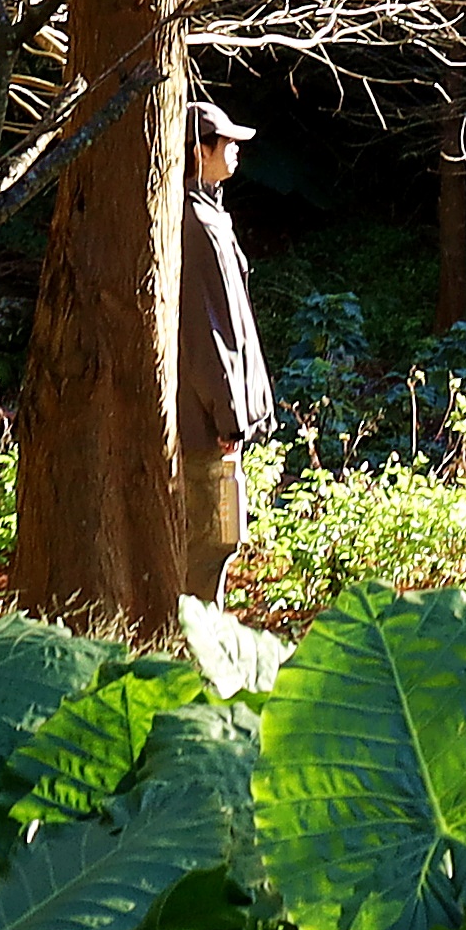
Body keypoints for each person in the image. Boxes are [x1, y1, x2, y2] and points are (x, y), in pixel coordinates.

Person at [177, 99, 275, 604]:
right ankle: (196, 656)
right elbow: (205, 330)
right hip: (207, 425)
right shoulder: (195, 224)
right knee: (212, 540)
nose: (236, 149)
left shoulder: (207, 212)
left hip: (214, 419)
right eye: (227, 141)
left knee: (218, 538)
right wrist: (227, 417)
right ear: (200, 151)